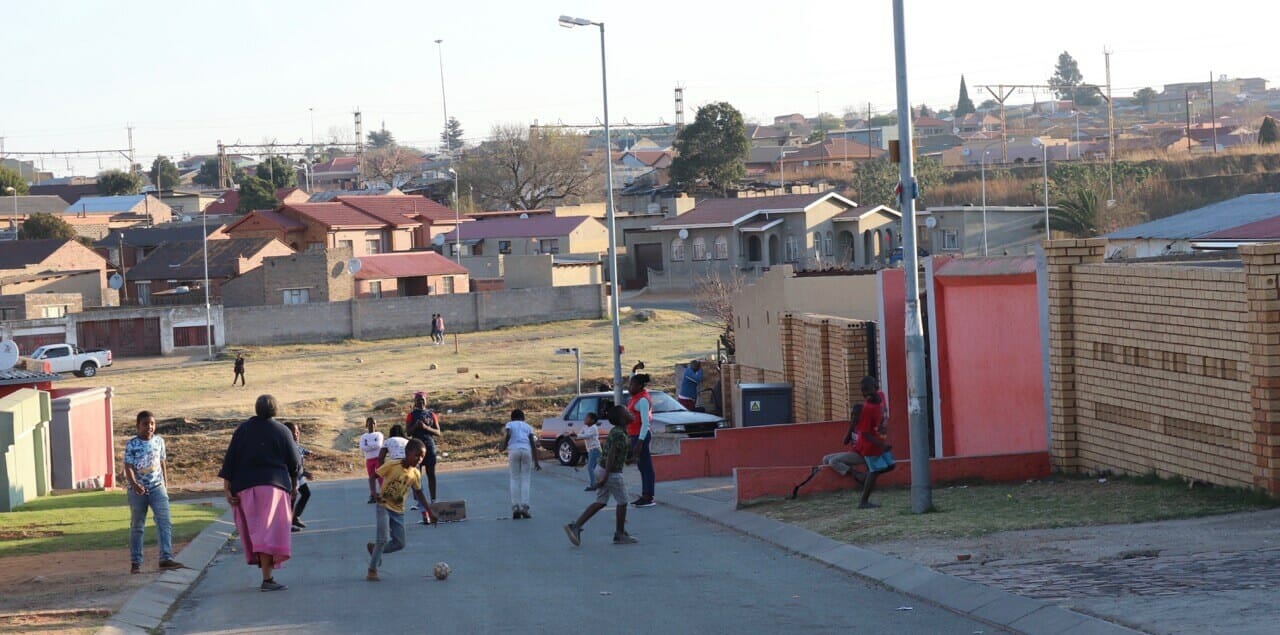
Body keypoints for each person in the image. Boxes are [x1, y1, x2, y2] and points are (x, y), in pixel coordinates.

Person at [218, 394, 300, 592]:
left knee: (258, 532)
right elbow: (295, 464)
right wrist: (294, 485)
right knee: (269, 533)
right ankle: (267, 578)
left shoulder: (242, 430)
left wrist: (227, 489)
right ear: (275, 410)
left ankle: (266, 574)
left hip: (244, 489)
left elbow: (230, 461)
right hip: (273, 488)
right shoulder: (282, 431)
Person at [564, 405, 637, 546]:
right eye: (627, 412)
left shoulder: (618, 431)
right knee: (622, 501)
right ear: (622, 419)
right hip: (610, 472)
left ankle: (576, 526)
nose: (631, 413)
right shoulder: (620, 434)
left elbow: (618, 455)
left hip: (602, 469)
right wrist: (605, 478)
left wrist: (631, 459)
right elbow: (611, 455)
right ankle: (620, 534)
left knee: (601, 501)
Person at [123, 411, 184, 574]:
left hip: (157, 488)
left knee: (164, 522)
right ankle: (136, 562)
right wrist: (134, 484)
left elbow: (162, 461)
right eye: (145, 424)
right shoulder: (132, 444)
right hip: (138, 491)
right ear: (138, 426)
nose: (149, 427)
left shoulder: (159, 441)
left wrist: (165, 482)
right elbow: (128, 466)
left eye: (152, 424)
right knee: (138, 526)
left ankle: (166, 558)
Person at [366, 439, 433, 582]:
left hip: (398, 510)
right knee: (382, 538)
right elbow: (373, 476)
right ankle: (372, 570)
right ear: (407, 452)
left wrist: (429, 511)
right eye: (417, 455)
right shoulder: (392, 465)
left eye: (422, 457)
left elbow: (419, 492)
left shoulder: (415, 473)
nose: (419, 459)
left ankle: (376, 550)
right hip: (383, 504)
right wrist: (373, 492)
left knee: (400, 543)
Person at [851, 378, 893, 509]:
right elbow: (865, 434)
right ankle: (863, 501)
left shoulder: (881, 396)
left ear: (876, 387)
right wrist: (882, 445)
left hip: (879, 442)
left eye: (867, 390)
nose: (865, 394)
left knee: (891, 466)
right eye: (863, 391)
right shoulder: (867, 409)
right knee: (874, 471)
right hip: (870, 446)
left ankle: (866, 476)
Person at [500, 408, 541, 519]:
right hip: (526, 451)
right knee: (525, 479)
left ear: (512, 418)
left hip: (514, 451)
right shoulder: (527, 426)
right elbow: (533, 444)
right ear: (523, 418)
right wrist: (536, 461)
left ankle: (516, 507)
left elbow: (508, 434)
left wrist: (503, 446)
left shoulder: (510, 424)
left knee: (514, 478)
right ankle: (525, 507)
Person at [404, 393, 442, 504]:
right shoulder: (411, 415)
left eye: (422, 400)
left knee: (431, 474)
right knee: (416, 476)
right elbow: (408, 432)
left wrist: (425, 427)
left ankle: (433, 499)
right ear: (415, 402)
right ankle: (418, 501)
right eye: (418, 400)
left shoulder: (431, 414)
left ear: (426, 400)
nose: (420, 402)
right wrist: (416, 425)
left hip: (429, 447)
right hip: (415, 448)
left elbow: (438, 432)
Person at [627, 373, 657, 507]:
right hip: (635, 435)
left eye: (632, 385)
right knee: (641, 466)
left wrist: (639, 442)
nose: (629, 387)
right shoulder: (635, 397)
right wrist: (634, 370)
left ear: (639, 386)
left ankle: (648, 496)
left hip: (641, 436)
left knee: (646, 467)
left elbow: (645, 423)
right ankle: (645, 493)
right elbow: (631, 377)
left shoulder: (643, 400)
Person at [284, 421, 313, 532]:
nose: (296, 435)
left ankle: (295, 517)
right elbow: (293, 465)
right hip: (292, 477)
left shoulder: (295, 445)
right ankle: (288, 524)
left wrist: (308, 452)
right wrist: (305, 473)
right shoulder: (288, 447)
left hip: (299, 475)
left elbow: (301, 450)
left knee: (306, 494)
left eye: (297, 432)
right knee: (292, 499)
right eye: (293, 433)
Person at [359, 418, 384, 504]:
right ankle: (373, 495)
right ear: (366, 425)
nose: (372, 425)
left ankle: (383, 494)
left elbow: (378, 445)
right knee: (371, 478)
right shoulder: (363, 436)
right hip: (369, 459)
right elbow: (363, 447)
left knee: (380, 476)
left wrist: (368, 445)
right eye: (370, 423)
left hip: (378, 458)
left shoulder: (378, 434)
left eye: (373, 423)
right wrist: (372, 445)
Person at [577, 412, 602, 491]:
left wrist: (577, 435)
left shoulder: (594, 428)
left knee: (590, 467)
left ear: (592, 420)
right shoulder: (585, 426)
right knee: (595, 467)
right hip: (591, 449)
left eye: (587, 418)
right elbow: (580, 434)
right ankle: (598, 483)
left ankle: (593, 485)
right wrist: (577, 435)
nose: (585, 419)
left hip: (595, 449)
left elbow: (587, 435)